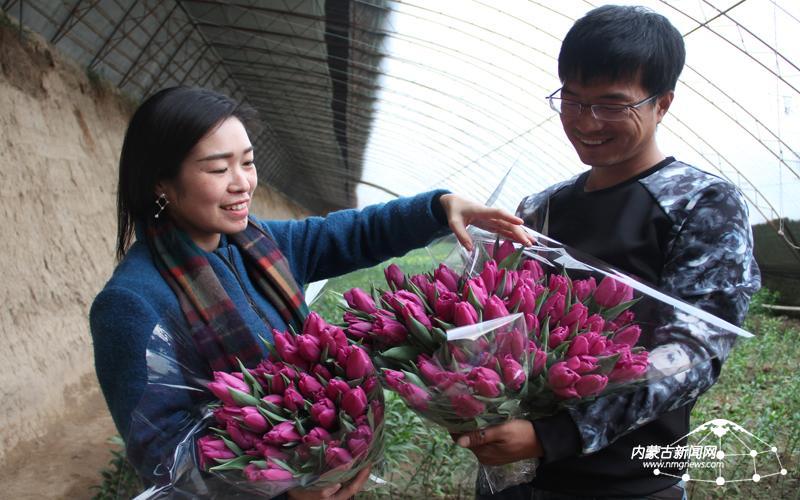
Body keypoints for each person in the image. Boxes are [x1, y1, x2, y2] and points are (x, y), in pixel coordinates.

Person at [90, 86, 533, 499]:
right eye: (218, 168)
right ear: (160, 183)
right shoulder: (133, 302)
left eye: (247, 161)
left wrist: (439, 207)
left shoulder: (260, 246)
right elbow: (163, 455)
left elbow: (354, 232)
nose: (242, 182)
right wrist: (285, 489)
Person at [453, 5, 760, 499]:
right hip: (516, 475)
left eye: (611, 105)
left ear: (662, 104)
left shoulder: (698, 203)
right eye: (571, 101)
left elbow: (695, 352)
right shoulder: (542, 207)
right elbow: (498, 320)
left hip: (630, 479)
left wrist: (558, 433)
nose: (585, 121)